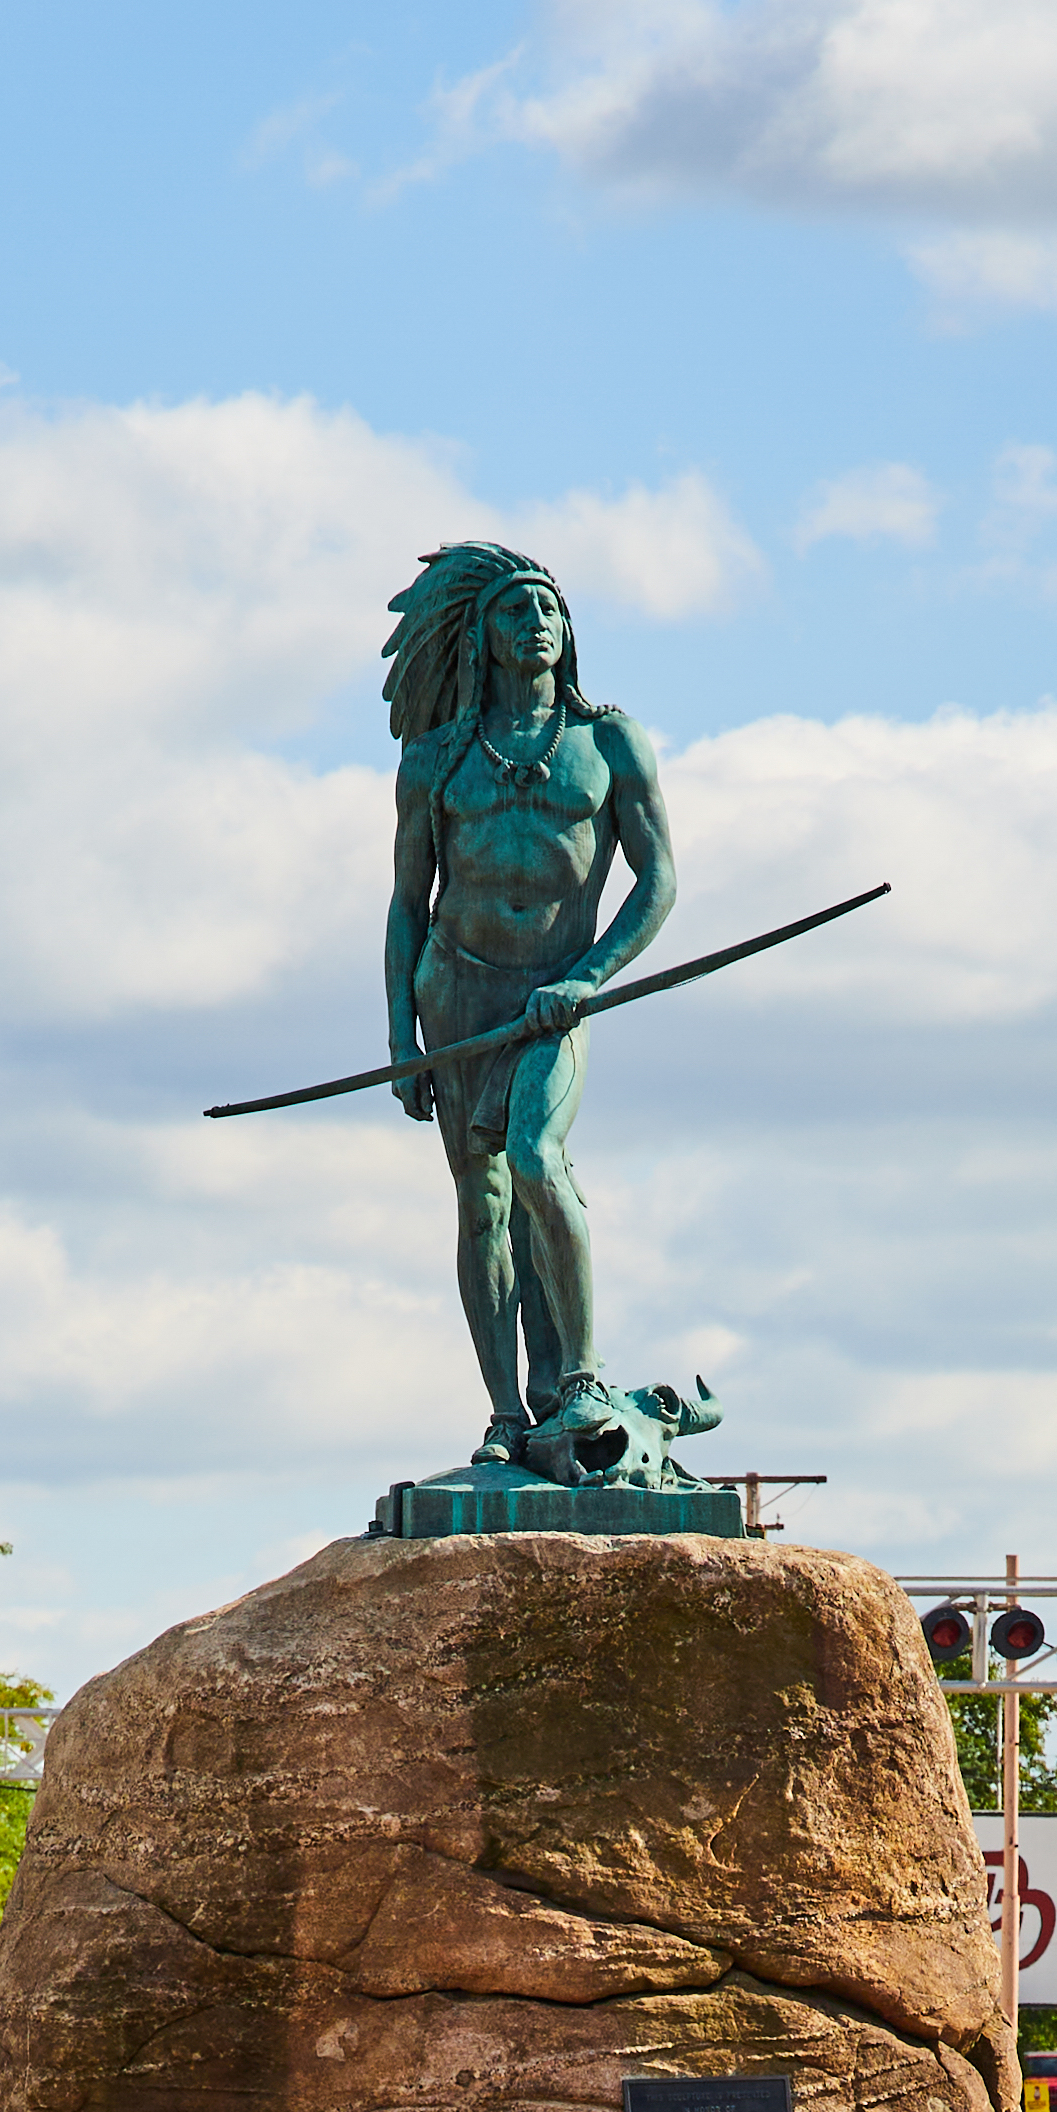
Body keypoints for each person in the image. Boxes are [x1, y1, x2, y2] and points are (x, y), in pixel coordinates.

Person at [381, 544, 677, 1457]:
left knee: (536, 1157)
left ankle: (578, 1382)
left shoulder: (609, 742)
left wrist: (587, 978)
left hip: (554, 996)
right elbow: (405, 903)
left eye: (549, 609)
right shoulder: (438, 760)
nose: (536, 624)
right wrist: (401, 1034)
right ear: (483, 637)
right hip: (458, 993)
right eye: (516, 611)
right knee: (484, 1205)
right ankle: (508, 1411)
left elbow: (657, 878)